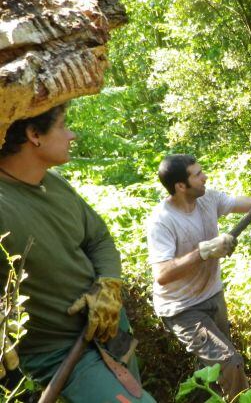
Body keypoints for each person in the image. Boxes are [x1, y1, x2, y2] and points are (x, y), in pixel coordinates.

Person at [0, 105, 155, 402]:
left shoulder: (55, 183)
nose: (72, 135)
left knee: (137, 389)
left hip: (109, 328)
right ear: (34, 135)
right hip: (61, 356)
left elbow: (99, 239)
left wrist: (108, 284)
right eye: (63, 125)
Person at [146, 153, 251, 399]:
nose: (205, 177)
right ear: (180, 186)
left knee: (210, 374)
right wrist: (203, 252)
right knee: (230, 364)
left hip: (212, 295)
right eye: (197, 174)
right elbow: (162, 274)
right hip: (182, 308)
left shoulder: (208, 198)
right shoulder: (162, 220)